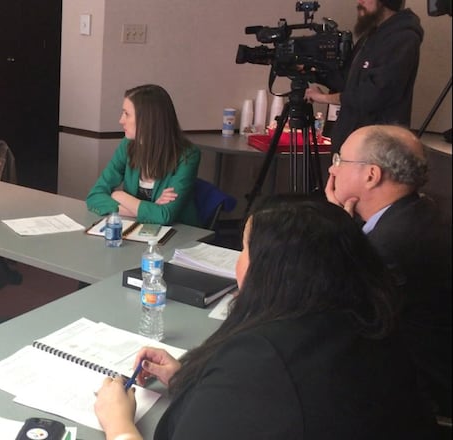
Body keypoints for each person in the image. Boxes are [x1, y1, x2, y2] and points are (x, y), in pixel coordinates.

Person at [94, 194, 438, 439]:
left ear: (274, 272)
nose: (239, 262)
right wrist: (187, 379)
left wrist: (119, 424)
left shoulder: (261, 361)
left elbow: (268, 392)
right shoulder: (366, 324)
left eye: (245, 249)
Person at [326, 124, 452, 419]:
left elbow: (333, 311)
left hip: (419, 393)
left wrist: (336, 230)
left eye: (339, 161)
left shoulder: (391, 246)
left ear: (371, 175)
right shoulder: (421, 211)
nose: (332, 172)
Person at [304, 0, 423, 153]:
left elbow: (373, 94)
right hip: (351, 143)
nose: (359, 2)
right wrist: (312, 71)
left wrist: (324, 98)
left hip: (376, 149)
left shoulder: (403, 38)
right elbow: (347, 80)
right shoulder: (371, 35)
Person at [86, 84, 200, 226]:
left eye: (126, 114)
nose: (121, 120)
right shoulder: (127, 146)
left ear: (148, 119)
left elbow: (165, 215)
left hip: (178, 236)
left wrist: (119, 196)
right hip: (137, 231)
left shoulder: (187, 155)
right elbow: (94, 196)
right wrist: (142, 209)